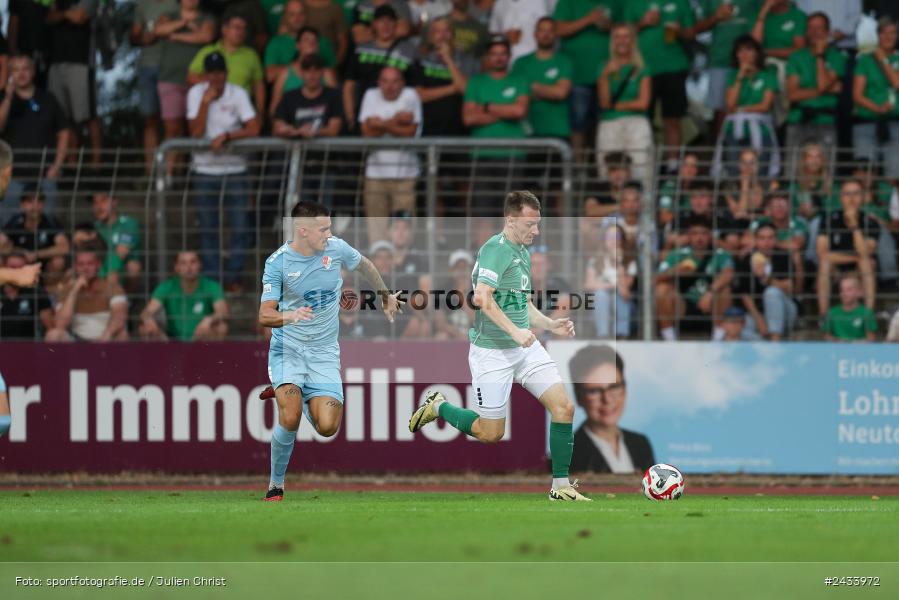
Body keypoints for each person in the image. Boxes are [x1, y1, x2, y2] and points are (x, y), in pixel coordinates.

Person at [409, 191, 590, 502]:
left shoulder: (523, 252)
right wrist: (516, 333)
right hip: (492, 352)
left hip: (524, 348)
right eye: (531, 224)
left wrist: (549, 324)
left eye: (538, 224)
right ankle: (438, 405)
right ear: (511, 220)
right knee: (490, 433)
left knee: (564, 407)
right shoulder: (496, 249)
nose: (537, 230)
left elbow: (523, 303)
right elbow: (482, 298)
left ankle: (560, 486)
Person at [258, 201, 403, 501]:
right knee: (290, 417)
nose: (329, 233)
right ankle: (276, 484)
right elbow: (264, 315)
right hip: (289, 349)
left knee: (327, 427)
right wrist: (290, 316)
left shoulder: (336, 249)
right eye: (323, 229)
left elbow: (364, 265)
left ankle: (294, 391)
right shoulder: (278, 263)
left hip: (324, 353)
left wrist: (385, 295)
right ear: (303, 231)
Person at [187, 51, 262, 289]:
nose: (216, 77)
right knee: (208, 228)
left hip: (235, 169)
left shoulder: (237, 93)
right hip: (204, 170)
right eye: (211, 73)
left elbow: (254, 128)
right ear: (205, 75)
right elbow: (196, 132)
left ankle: (234, 277)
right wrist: (205, 102)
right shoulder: (196, 93)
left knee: (240, 227)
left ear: (226, 74)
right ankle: (212, 280)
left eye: (219, 72)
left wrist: (229, 135)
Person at [623, 0, 695, 173]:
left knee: (672, 119)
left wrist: (680, 31)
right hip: (642, 68)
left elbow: (692, 33)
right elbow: (622, 33)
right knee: (642, 120)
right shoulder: (632, 4)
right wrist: (643, 23)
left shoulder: (681, 3)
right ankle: (645, 162)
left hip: (674, 67)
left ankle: (672, 165)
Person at [462, 35, 529, 216]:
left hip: (513, 154)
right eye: (494, 54)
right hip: (482, 154)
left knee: (512, 213)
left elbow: (519, 111)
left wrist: (486, 107)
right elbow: (468, 118)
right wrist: (505, 112)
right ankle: (485, 246)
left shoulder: (519, 80)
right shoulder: (475, 82)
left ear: (509, 56)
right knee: (482, 212)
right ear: (487, 57)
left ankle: (509, 246)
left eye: (502, 54)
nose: (498, 58)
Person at [0, 54, 68, 226]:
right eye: (15, 70)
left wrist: (57, 165)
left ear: (33, 72)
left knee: (48, 225)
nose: (21, 74)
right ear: (9, 73)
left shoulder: (48, 99)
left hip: (45, 175)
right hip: (11, 176)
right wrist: (7, 97)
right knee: (8, 226)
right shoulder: (4, 99)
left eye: (25, 69)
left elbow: (64, 132)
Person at [359, 66, 422, 245]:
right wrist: (396, 121)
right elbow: (366, 133)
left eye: (395, 81)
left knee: (404, 232)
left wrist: (380, 124)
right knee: (376, 231)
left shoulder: (410, 95)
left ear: (402, 83)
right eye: (385, 81)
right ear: (379, 83)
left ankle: (404, 268)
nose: (389, 86)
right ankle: (379, 272)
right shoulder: (371, 95)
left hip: (405, 176)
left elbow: (411, 131)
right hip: (375, 176)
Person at [567, 345, 655, 474]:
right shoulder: (567, 455)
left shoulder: (641, 444)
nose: (607, 399)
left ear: (624, 389)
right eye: (594, 391)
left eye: (614, 387)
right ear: (578, 397)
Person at [272, 54, 343, 205]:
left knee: (324, 212)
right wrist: (293, 131)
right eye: (308, 70)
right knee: (304, 213)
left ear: (323, 73)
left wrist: (312, 132)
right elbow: (277, 126)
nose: (312, 75)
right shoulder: (290, 97)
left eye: (316, 70)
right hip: (298, 164)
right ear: (301, 73)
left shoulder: (333, 95)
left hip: (326, 164)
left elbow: (334, 129)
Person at [511, 17, 572, 192]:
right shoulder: (521, 63)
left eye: (550, 30)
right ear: (535, 34)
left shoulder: (563, 61)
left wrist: (531, 87)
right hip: (528, 132)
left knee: (559, 187)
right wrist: (548, 90)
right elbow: (516, 95)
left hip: (558, 130)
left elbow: (561, 92)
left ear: (555, 34)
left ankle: (561, 221)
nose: (545, 34)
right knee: (528, 189)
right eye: (541, 30)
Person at [154, 0, 216, 163]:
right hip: (170, 78)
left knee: (194, 128)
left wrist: (176, 35)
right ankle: (168, 176)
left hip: (198, 81)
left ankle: (185, 175)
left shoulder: (207, 18)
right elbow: (158, 30)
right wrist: (185, 23)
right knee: (172, 129)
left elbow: (206, 36)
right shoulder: (169, 15)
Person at [553, 0, 616, 158]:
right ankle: (579, 170)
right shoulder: (567, 3)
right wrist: (588, 19)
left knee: (605, 124)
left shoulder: (615, 2)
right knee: (578, 124)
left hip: (609, 75)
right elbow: (558, 29)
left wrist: (609, 26)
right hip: (578, 74)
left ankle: (601, 167)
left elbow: (626, 29)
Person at [656, 216, 735, 341]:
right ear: (688, 236)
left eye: (704, 234)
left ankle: (717, 340)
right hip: (682, 306)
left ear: (710, 236)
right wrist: (673, 271)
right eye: (695, 234)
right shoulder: (677, 255)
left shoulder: (720, 254)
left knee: (725, 290)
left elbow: (729, 274)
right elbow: (655, 279)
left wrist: (710, 292)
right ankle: (669, 340)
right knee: (661, 289)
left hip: (711, 307)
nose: (699, 238)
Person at [692, 0, 762, 137]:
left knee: (754, 106)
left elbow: (763, 17)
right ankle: (722, 151)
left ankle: (751, 154)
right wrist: (716, 17)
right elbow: (695, 28)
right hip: (720, 60)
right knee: (721, 111)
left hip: (750, 59)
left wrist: (757, 55)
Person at [715, 35, 780, 179]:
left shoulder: (768, 75)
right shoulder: (732, 76)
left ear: (757, 53)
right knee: (733, 169)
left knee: (761, 170)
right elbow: (730, 105)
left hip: (760, 128)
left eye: (748, 50)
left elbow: (765, 106)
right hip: (734, 129)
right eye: (740, 51)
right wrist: (740, 77)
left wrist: (742, 110)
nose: (744, 55)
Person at [46, 0, 103, 166]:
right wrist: (66, 14)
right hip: (56, 61)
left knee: (89, 115)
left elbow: (80, 17)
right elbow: (49, 18)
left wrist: (61, 14)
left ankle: (97, 164)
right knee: (63, 117)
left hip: (82, 62)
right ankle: (71, 163)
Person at [343, 5, 418, 129]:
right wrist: (350, 117)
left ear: (396, 24)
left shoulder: (409, 50)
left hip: (400, 115)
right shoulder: (361, 49)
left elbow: (415, 87)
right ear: (374, 24)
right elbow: (349, 85)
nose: (386, 25)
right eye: (381, 21)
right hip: (367, 115)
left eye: (390, 21)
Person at [596, 24, 653, 187]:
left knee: (641, 170)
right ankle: (608, 210)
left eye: (626, 36)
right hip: (610, 124)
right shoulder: (603, 67)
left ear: (633, 41)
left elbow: (643, 103)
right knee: (608, 170)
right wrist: (605, 75)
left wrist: (618, 106)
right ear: (612, 41)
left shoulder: (642, 67)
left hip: (637, 123)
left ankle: (644, 211)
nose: (622, 41)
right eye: (617, 36)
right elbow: (604, 102)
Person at [783, 11, 845, 158]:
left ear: (828, 31)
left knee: (825, 172)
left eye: (819, 28)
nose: (814, 32)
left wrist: (820, 56)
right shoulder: (796, 57)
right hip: (798, 119)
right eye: (810, 28)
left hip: (826, 121)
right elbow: (792, 94)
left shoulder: (837, 57)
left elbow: (822, 84)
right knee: (793, 172)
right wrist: (826, 90)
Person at [816, 179, 878, 319]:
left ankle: (868, 315)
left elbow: (866, 252)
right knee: (825, 263)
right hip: (836, 270)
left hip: (859, 270)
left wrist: (854, 226)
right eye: (847, 194)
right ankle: (823, 315)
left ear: (862, 197)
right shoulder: (829, 219)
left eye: (856, 194)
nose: (851, 199)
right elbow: (822, 253)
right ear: (841, 197)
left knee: (867, 262)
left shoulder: (870, 222)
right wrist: (857, 256)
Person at [131, 0, 179, 172]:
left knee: (173, 123)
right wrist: (142, 37)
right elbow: (134, 35)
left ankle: (171, 173)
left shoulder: (177, 5)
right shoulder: (143, 5)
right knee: (149, 119)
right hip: (148, 66)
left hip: (172, 67)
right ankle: (151, 172)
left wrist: (161, 31)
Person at [45, 244, 129, 342]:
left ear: (98, 265)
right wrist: (74, 291)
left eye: (90, 264)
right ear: (75, 267)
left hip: (105, 339)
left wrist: (107, 334)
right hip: (76, 342)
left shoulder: (112, 287)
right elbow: (60, 325)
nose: (85, 268)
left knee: (122, 334)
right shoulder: (67, 289)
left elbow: (119, 316)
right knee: (53, 335)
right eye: (81, 264)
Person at [188, 15, 267, 117]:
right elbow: (191, 77)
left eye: (244, 28)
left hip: (242, 108)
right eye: (237, 27)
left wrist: (260, 112)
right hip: (212, 104)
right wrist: (216, 85)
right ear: (224, 29)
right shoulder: (207, 51)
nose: (241, 32)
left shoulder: (251, 55)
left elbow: (258, 85)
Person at [139, 250, 228, 341]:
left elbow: (223, 312)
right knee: (145, 328)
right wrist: (148, 319)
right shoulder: (167, 286)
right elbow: (147, 311)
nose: (188, 267)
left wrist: (209, 319)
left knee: (221, 327)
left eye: (193, 262)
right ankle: (162, 355)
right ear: (176, 267)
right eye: (183, 263)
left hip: (200, 337)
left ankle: (208, 355)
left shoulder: (212, 286)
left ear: (199, 265)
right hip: (171, 338)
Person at [736, 221, 801, 340]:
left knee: (771, 292)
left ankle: (775, 341)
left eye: (770, 238)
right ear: (755, 240)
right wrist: (759, 319)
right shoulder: (747, 259)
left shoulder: (783, 256)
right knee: (742, 330)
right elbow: (744, 294)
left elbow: (790, 287)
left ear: (776, 239)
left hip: (786, 310)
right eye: (762, 238)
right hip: (760, 313)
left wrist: (766, 278)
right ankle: (766, 347)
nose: (767, 242)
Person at [852, 17, 899, 181]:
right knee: (865, 173)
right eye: (884, 32)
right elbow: (857, 95)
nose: (888, 36)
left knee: (895, 173)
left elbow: (897, 83)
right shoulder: (864, 60)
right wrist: (877, 108)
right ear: (878, 35)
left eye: (893, 32)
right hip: (867, 121)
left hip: (895, 122)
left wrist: (883, 59)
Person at [412, 16, 473, 137]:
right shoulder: (421, 60)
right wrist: (452, 88)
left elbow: (466, 90)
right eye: (437, 31)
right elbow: (419, 95)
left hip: (459, 132)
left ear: (453, 34)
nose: (442, 35)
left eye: (446, 31)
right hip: (428, 131)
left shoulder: (467, 59)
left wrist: (449, 59)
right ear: (430, 37)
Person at [0, 192, 69, 285]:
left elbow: (64, 247)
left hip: (43, 264)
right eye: (30, 202)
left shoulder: (50, 222)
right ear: (22, 205)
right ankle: (10, 289)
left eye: (38, 201)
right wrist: (21, 252)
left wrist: (36, 254)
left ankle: (47, 294)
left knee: (58, 261)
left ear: (43, 205)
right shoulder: (15, 222)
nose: (34, 206)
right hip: (20, 264)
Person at [268, 27, 339, 115]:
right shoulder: (285, 73)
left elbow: (336, 107)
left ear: (318, 46)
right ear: (298, 46)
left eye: (314, 41)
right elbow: (274, 107)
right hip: (291, 125)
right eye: (306, 40)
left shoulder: (327, 73)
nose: (311, 43)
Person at [263, 0, 337, 85]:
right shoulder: (275, 43)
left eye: (301, 13)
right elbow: (270, 76)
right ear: (285, 17)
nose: (297, 18)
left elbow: (334, 76)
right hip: (288, 94)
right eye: (292, 14)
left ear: (307, 15)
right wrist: (301, 61)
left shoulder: (322, 42)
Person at [585, 224, 636, 339]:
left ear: (622, 240)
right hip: (599, 305)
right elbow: (589, 285)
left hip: (624, 306)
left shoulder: (629, 262)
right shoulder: (595, 261)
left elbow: (624, 292)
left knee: (619, 297)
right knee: (601, 295)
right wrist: (611, 285)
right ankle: (603, 335)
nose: (613, 240)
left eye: (617, 236)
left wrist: (620, 263)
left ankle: (621, 335)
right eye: (610, 236)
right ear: (604, 240)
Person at [92, 191, 142, 288]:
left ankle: (126, 300)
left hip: (120, 268)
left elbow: (121, 253)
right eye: (95, 202)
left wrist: (102, 274)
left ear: (114, 202)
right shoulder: (94, 227)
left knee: (133, 267)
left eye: (103, 201)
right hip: (99, 267)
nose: (99, 206)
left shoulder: (128, 224)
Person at [0, 252, 53, 340]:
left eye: (20, 268)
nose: (17, 272)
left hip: (28, 347)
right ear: (4, 269)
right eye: (12, 268)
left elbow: (50, 326)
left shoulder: (36, 292)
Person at [822, 274, 877, 342]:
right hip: (837, 350)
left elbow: (871, 339)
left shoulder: (866, 313)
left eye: (849, 290)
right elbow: (826, 336)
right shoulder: (832, 312)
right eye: (842, 290)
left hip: (860, 350)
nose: (844, 293)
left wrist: (852, 343)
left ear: (859, 292)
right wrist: (837, 341)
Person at [303, 0, 349, 65]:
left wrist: (336, 64)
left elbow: (343, 40)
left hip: (329, 60)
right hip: (303, 61)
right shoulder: (299, 5)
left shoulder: (335, 8)